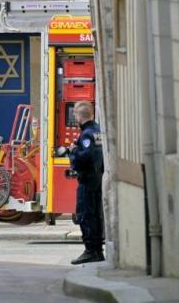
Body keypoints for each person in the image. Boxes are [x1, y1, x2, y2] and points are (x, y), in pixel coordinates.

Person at [66, 101, 105, 264]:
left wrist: (73, 151)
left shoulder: (87, 134)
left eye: (75, 114)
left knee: (85, 215)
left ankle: (91, 250)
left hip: (88, 179)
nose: (74, 117)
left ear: (78, 116)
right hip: (98, 178)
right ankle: (97, 250)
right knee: (95, 214)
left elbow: (85, 157)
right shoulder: (98, 131)